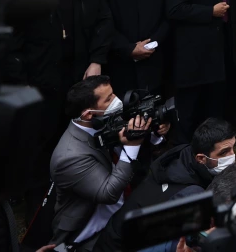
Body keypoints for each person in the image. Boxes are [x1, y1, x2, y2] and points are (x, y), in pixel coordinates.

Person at [95, 118, 236, 252]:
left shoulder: (184, 155)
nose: (233, 156)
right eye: (224, 152)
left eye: (233, 148)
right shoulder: (190, 194)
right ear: (200, 158)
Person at [49, 75, 158, 247]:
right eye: (109, 99)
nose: (117, 101)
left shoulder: (102, 121)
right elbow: (108, 194)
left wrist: (154, 132)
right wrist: (132, 146)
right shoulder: (69, 157)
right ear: (88, 114)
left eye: (113, 94)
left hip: (122, 212)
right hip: (90, 234)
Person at [166, 0, 236, 140]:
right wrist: (209, 11)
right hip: (197, 44)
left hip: (222, 37)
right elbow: (175, 9)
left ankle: (217, 134)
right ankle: (188, 140)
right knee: (195, 94)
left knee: (218, 91)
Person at [101, 0, 170, 96]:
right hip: (121, 61)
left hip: (157, 58)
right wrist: (128, 48)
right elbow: (105, 24)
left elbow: (169, 18)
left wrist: (153, 43)